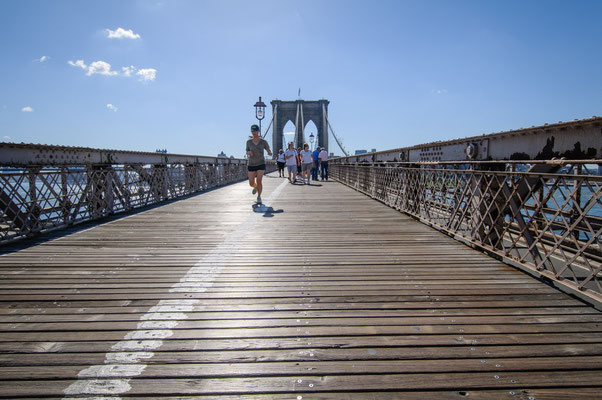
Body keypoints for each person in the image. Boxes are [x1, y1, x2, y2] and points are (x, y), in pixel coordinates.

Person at [246, 124, 272, 203]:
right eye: (252, 131)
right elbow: (247, 151)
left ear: (258, 131)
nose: (254, 132)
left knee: (259, 180)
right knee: (251, 183)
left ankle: (259, 197)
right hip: (251, 164)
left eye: (255, 131)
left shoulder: (263, 142)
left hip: (261, 163)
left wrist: (269, 153)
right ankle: (256, 187)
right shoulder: (248, 142)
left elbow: (268, 150)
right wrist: (249, 152)